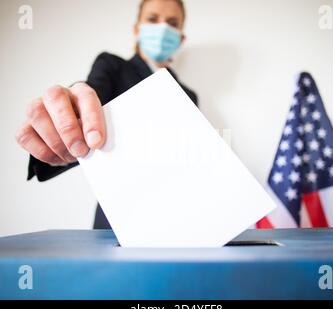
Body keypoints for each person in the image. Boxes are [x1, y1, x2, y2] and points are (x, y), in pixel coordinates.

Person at [15, 0, 198, 229]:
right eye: (152, 19)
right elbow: (89, 98)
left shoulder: (189, 96)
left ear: (181, 38)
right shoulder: (112, 67)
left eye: (172, 23)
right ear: (136, 29)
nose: (162, 28)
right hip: (118, 219)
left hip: (176, 218)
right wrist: (71, 112)